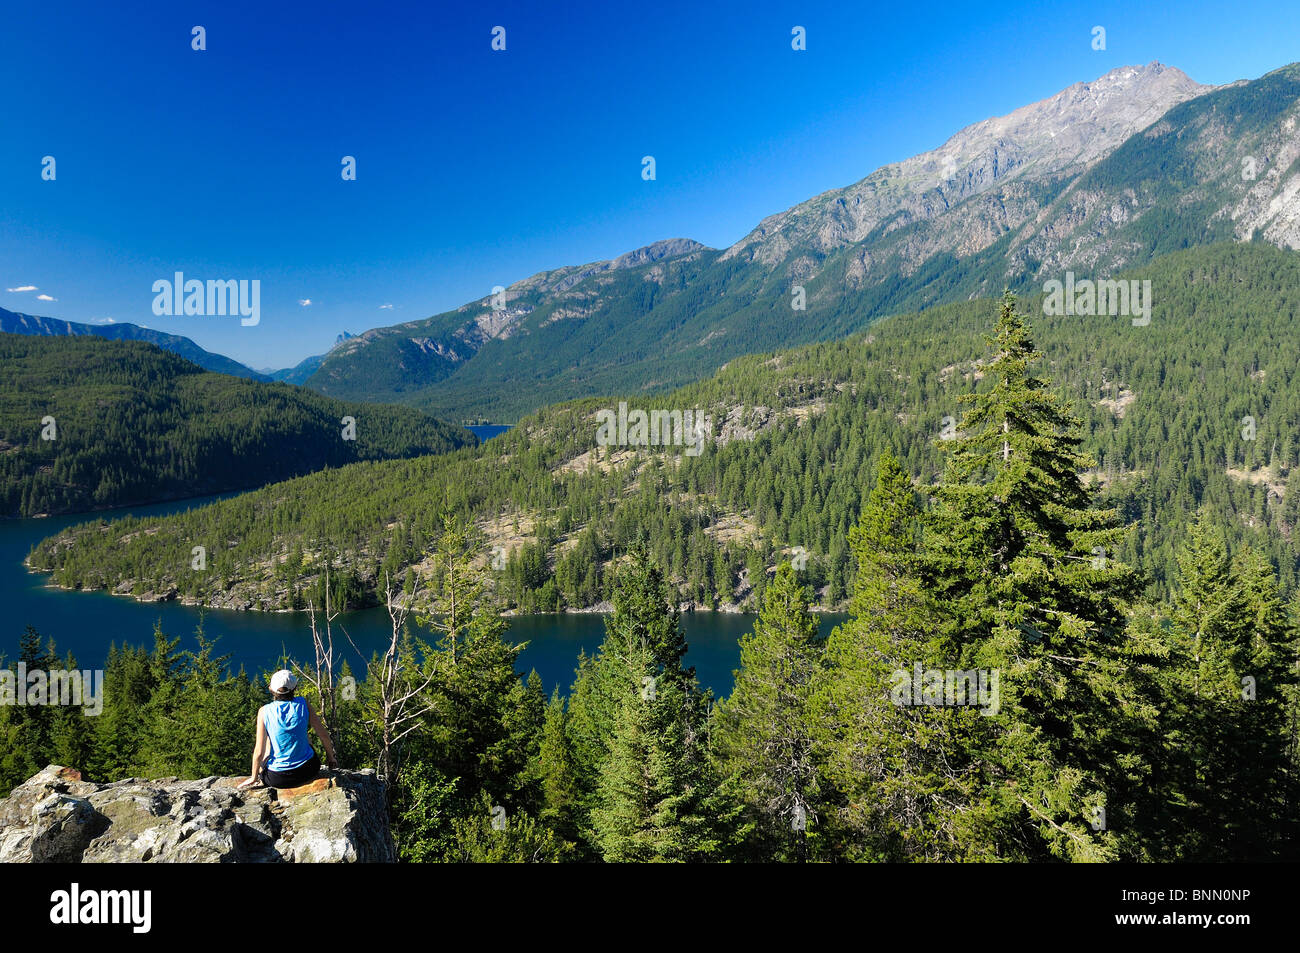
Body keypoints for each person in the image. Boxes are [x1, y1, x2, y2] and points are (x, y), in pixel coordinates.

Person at [238, 670, 338, 790]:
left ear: (271, 689)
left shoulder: (265, 711)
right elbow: (323, 735)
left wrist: (253, 777)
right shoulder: (303, 703)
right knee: (304, 735)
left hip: (277, 778)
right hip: (309, 769)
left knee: (269, 741)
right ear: (295, 687)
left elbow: (259, 750)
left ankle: (263, 775)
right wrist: (331, 758)